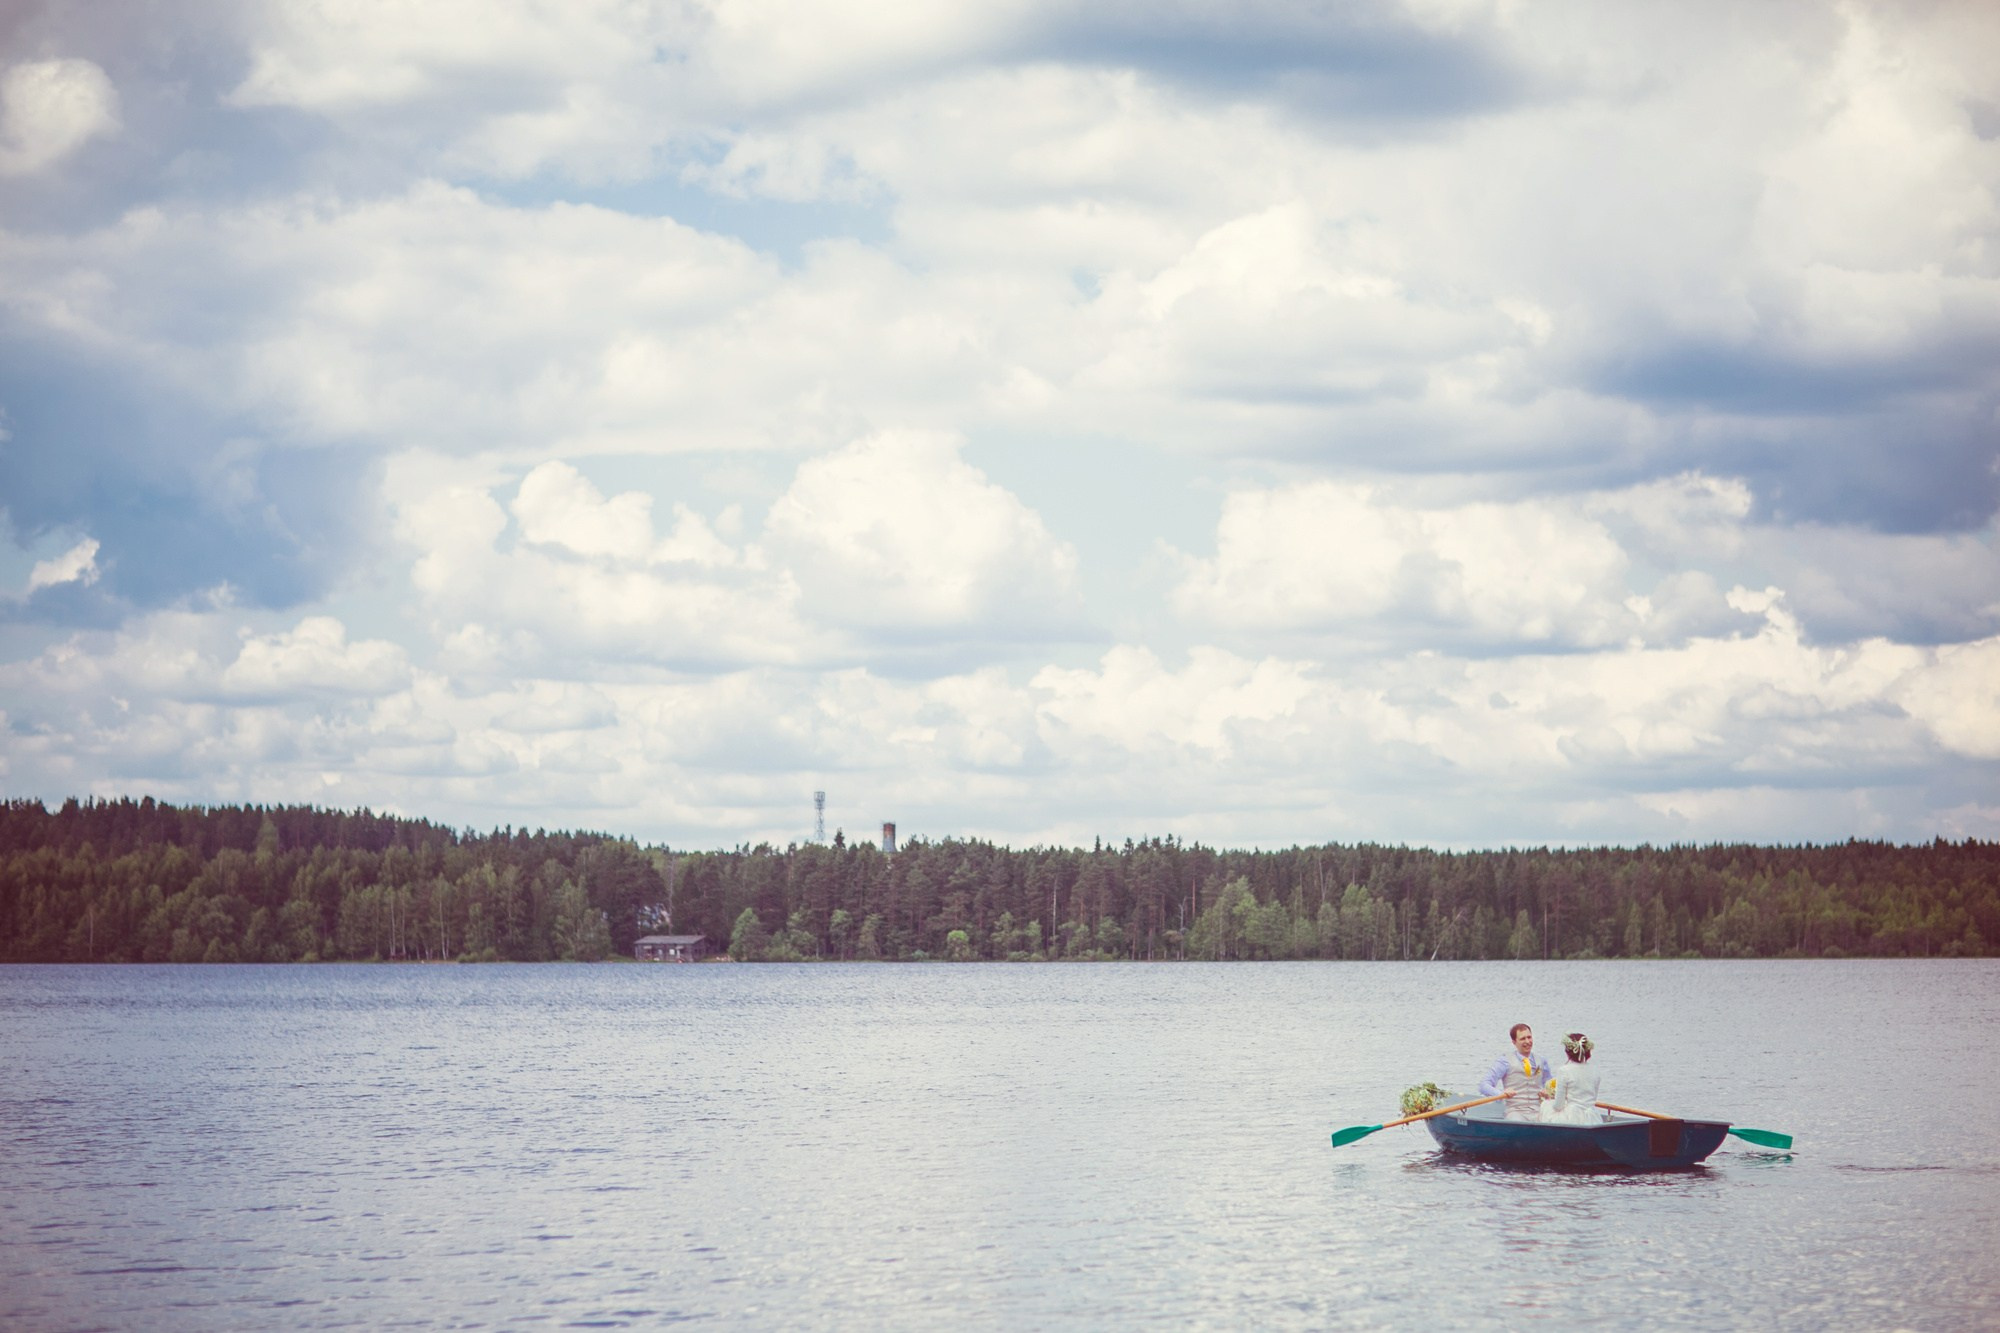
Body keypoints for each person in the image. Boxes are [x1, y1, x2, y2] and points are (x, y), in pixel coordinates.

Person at [1478, 1022, 1554, 1120]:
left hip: (1538, 1110)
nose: (1527, 1041)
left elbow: (1549, 1084)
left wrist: (1548, 1092)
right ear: (1514, 1042)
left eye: (1529, 1037)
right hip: (1515, 1111)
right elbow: (1483, 1085)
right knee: (1516, 1120)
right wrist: (1501, 1094)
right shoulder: (1504, 1061)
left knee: (1552, 1119)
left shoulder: (1542, 1061)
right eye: (1523, 1039)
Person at [1540, 1032, 1602, 1125]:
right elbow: (1593, 1098)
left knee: (1545, 1105)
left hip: (1572, 1118)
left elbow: (1558, 1106)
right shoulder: (1595, 1070)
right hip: (1592, 1117)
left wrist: (1550, 1099)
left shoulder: (1564, 1071)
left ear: (1567, 1052)